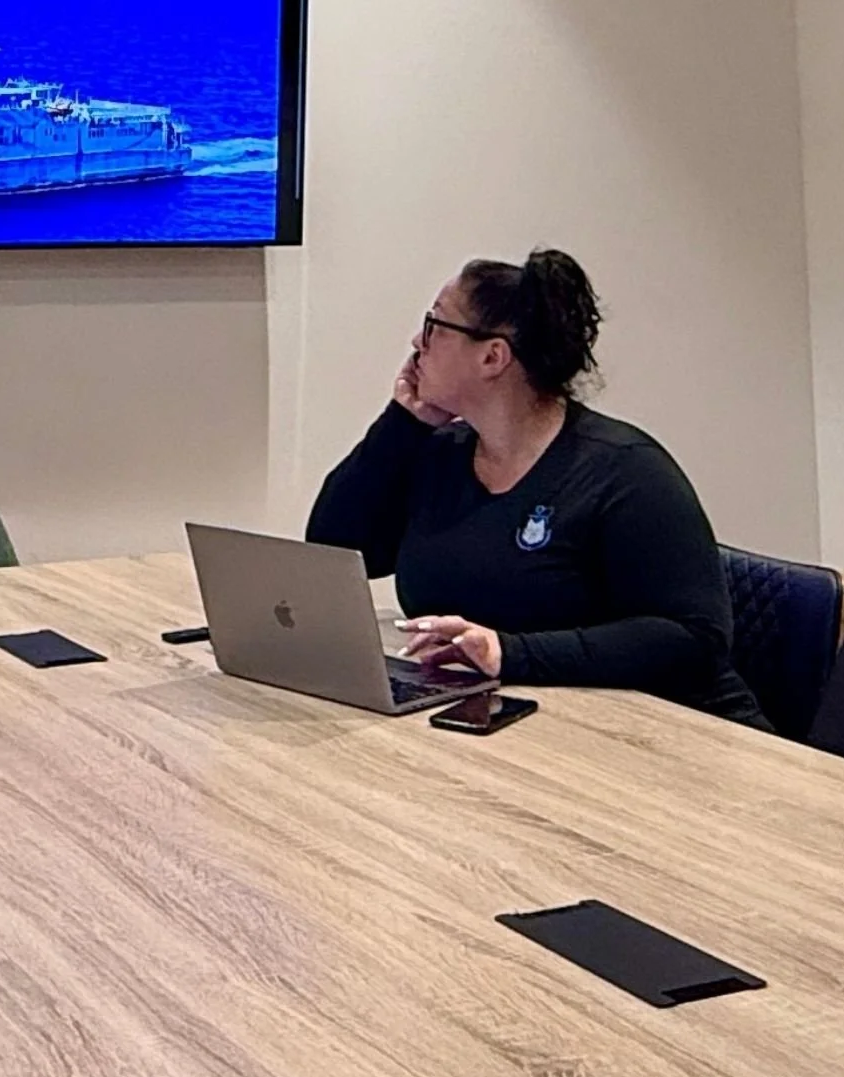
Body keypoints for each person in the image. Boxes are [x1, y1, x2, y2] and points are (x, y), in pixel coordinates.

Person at [307, 249, 767, 728]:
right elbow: (336, 551)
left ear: (492, 356)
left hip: (673, 736)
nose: (416, 343)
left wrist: (508, 652)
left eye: (434, 326)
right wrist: (401, 426)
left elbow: (693, 638)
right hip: (523, 728)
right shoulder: (440, 453)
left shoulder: (625, 471)